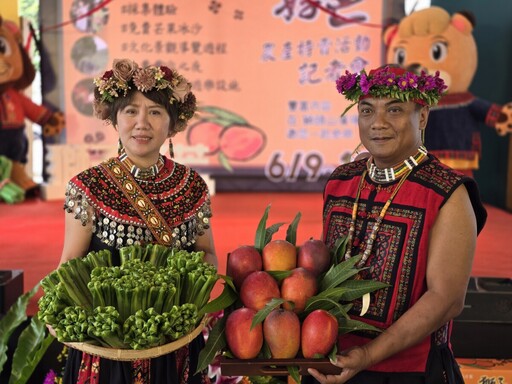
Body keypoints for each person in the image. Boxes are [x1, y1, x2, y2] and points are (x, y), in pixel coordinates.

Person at [307, 65, 487, 384]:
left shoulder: (448, 192)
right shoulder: (341, 181)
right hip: (332, 364)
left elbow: (446, 299)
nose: (378, 123)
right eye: (367, 110)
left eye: (394, 109)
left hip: (408, 372)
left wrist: (368, 355)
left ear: (422, 116)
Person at [58, 58, 216, 383]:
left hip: (173, 346)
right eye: (130, 110)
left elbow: (208, 255)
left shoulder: (192, 186)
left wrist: (182, 303)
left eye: (155, 112)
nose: (142, 122)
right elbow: (69, 267)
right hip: (106, 349)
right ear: (114, 119)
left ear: (172, 124)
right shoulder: (88, 187)